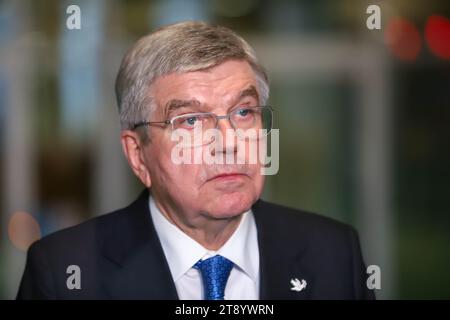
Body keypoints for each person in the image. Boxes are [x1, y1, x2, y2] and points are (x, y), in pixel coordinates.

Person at [17, 21, 374, 300]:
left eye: (244, 111)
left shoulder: (333, 254)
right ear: (138, 155)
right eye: (190, 120)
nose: (229, 142)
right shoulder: (65, 272)